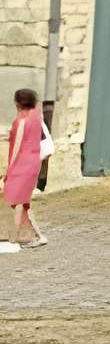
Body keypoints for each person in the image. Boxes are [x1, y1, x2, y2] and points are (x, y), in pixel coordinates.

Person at [1, 89, 43, 249]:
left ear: (17, 103)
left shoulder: (22, 121)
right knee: (23, 202)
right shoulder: (36, 118)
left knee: (17, 200)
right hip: (33, 163)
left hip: (22, 164)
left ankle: (14, 236)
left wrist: (8, 170)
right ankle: (37, 235)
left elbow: (17, 146)